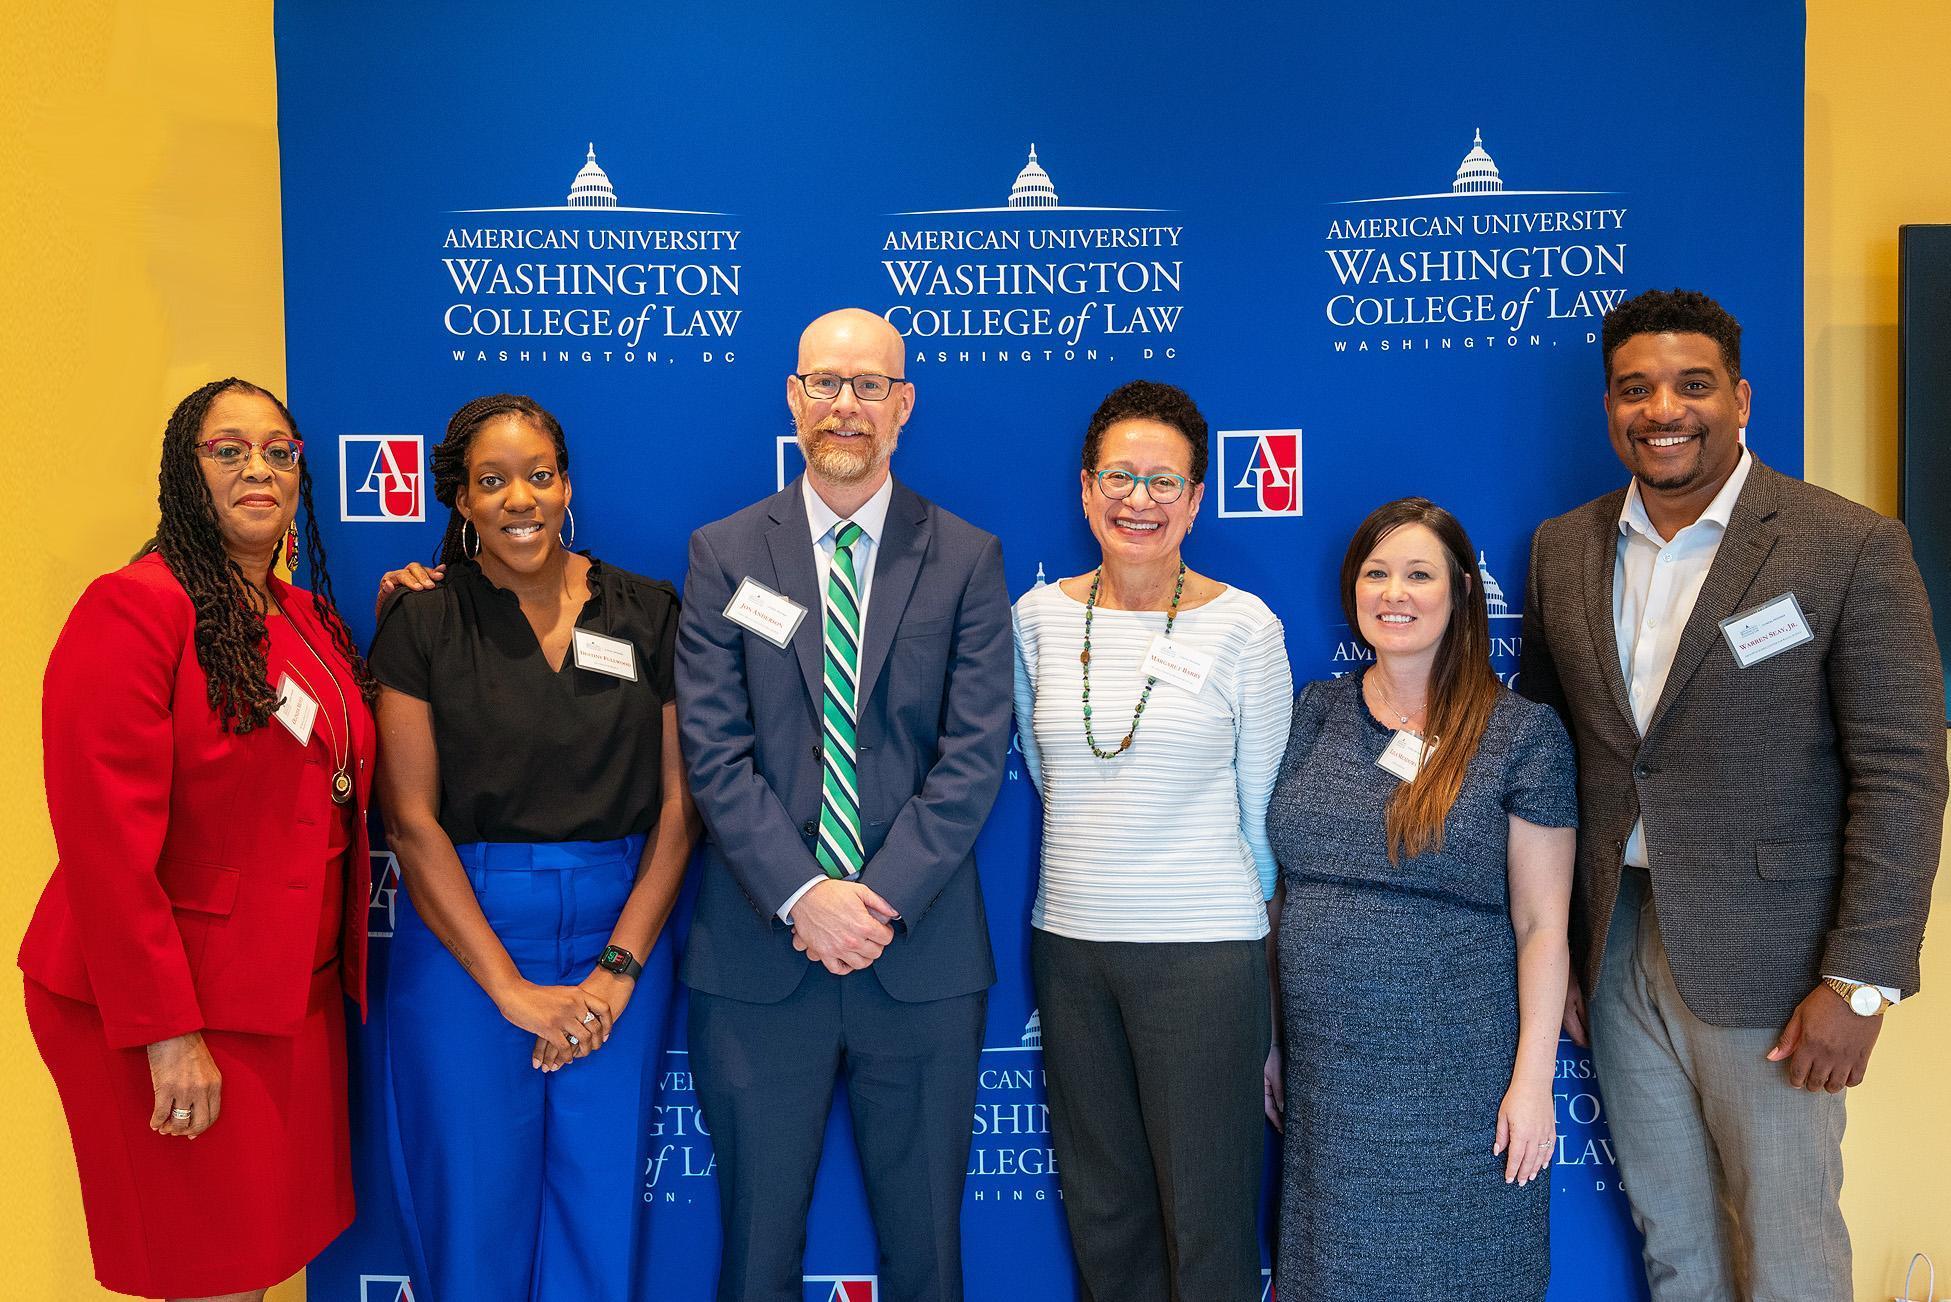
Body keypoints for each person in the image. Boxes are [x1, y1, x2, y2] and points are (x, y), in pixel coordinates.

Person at [1521, 288, 1947, 1301]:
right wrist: (1560, 956)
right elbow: (1546, 755)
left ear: (1741, 398)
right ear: (1609, 407)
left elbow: (1902, 769)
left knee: (1789, 1250)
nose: (1661, 407)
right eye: (1633, 388)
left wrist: (1861, 980)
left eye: (1690, 384)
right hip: (1614, 942)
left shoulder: (1844, 544)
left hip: (1778, 964)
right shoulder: (1561, 550)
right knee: (1676, 1245)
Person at [675, 308, 1012, 1302]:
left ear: (903, 405)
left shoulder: (965, 557)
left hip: (919, 959)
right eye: (824, 383)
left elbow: (973, 755)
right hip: (757, 959)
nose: (844, 406)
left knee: (928, 1261)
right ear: (792, 397)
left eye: (868, 386)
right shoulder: (725, 552)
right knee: (753, 1259)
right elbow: (714, 749)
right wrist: (802, 894)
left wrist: (871, 901)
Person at [19, 379, 377, 1301]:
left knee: (252, 1263)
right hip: (168, 1003)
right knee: (209, 1271)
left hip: (283, 994)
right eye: (229, 450)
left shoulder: (303, 615)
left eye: (278, 451)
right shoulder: (134, 609)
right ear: (187, 473)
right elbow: (101, 845)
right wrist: (167, 1033)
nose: (258, 468)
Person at [367, 393, 698, 1301]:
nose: (521, 499)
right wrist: (509, 989)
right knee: (472, 1207)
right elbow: (410, 822)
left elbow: (679, 808)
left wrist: (619, 968)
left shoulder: (646, 610)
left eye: (539, 476)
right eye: (493, 481)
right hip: (464, 940)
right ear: (462, 502)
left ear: (566, 485)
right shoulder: (423, 620)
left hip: (618, 933)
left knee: (599, 1209)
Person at [1010, 379, 1291, 1300]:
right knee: (1105, 1214)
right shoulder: (1037, 618)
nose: (1140, 500)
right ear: (1085, 490)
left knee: (1205, 1223)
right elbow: (1053, 779)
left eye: (1164, 482)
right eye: (1120, 478)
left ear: (1197, 499)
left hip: (1205, 953)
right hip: (1073, 945)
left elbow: (1263, 819)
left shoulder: (1245, 627)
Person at [1267, 498, 1576, 1301]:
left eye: (1417, 574)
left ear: (1461, 592)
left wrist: (1531, 1081)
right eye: (1375, 573)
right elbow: (1281, 892)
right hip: (1327, 1084)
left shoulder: (1521, 736)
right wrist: (1268, 1035)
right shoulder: (1316, 711)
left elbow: (1542, 924)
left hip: (1459, 1084)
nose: (1393, 593)